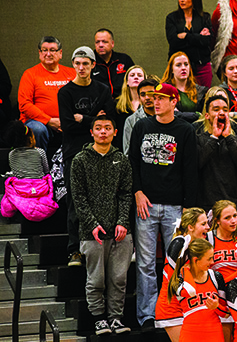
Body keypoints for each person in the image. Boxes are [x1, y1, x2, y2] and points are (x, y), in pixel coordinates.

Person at [128, 82, 198, 331]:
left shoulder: (185, 130)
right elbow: (132, 163)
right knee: (145, 264)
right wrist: (137, 192)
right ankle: (147, 315)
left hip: (175, 207)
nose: (154, 101)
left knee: (176, 261)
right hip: (145, 205)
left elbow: (191, 171)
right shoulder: (141, 126)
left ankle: (175, 310)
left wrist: (189, 209)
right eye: (152, 97)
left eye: (160, 98)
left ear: (173, 101)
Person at [70, 115, 132, 335]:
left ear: (115, 132)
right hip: (92, 232)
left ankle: (116, 318)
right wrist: (92, 223)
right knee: (96, 279)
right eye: (98, 128)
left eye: (107, 128)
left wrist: (123, 222)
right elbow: (78, 197)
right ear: (92, 133)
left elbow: (126, 194)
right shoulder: (80, 160)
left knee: (119, 278)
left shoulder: (122, 160)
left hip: (120, 232)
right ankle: (98, 319)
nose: (103, 131)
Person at [58, 46, 116, 267]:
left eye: (86, 63)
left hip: (101, 151)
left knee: (102, 199)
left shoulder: (102, 89)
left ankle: (103, 245)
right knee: (75, 200)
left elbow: (110, 120)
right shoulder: (65, 93)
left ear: (93, 65)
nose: (81, 68)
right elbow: (68, 126)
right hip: (74, 152)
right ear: (73, 64)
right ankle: (74, 250)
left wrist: (84, 118)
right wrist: (94, 119)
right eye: (77, 63)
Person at [155, 208, 209, 341]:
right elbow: (173, 281)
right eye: (203, 224)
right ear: (190, 227)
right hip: (171, 307)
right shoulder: (179, 242)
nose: (208, 227)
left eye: (207, 223)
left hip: (188, 305)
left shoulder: (195, 245)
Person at [18, 36, 76, 150]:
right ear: (40, 53)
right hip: (38, 122)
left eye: (52, 50)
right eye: (45, 50)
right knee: (38, 129)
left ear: (60, 53)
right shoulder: (30, 74)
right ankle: (39, 167)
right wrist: (49, 120)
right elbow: (24, 105)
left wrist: (68, 119)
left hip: (67, 120)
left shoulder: (72, 73)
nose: (48, 54)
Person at [195, 95, 237, 212]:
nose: (221, 113)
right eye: (216, 109)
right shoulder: (198, 139)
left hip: (233, 204)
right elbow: (197, 163)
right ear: (207, 115)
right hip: (205, 207)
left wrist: (228, 137)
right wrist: (214, 138)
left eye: (225, 110)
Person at [207, 200, 237, 342]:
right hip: (217, 297)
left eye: (235, 216)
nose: (233, 221)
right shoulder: (208, 239)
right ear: (217, 220)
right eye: (227, 218)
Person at [169, 238, 227, 342]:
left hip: (214, 333)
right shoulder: (178, 280)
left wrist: (216, 306)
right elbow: (190, 291)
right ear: (196, 260)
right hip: (190, 334)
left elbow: (225, 313)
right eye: (209, 259)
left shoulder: (216, 277)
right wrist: (185, 269)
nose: (212, 262)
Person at [1, 121, 58, 222]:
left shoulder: (11, 154)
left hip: (21, 189)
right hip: (40, 188)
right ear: (31, 139)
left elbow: (15, 171)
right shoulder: (40, 152)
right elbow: (46, 170)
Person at [165, 0, 213, 87]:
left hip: (201, 66)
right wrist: (197, 37)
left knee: (204, 98)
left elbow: (206, 41)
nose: (181, 0)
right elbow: (173, 42)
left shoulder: (204, 17)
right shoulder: (172, 18)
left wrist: (186, 36)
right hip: (180, 67)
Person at [92, 28, 135, 98]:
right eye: (97, 42)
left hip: (123, 102)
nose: (100, 45)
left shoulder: (124, 59)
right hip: (99, 104)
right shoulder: (90, 62)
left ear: (112, 43)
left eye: (104, 42)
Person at [114, 65, 146, 152]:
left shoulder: (149, 104)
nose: (136, 77)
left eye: (139, 75)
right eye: (132, 75)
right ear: (127, 82)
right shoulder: (117, 104)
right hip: (122, 148)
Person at [122, 78, 158, 155]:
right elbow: (128, 152)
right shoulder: (131, 120)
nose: (147, 97)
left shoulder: (167, 117)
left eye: (151, 93)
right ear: (139, 97)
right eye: (143, 95)